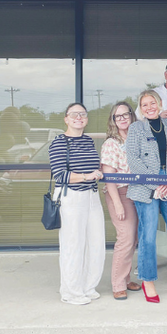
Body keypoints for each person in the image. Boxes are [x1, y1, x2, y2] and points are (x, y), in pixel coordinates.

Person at [126, 90, 167, 302]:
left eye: (152, 103)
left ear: (159, 103)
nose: (149, 107)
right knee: (148, 234)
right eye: (144, 105)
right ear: (140, 108)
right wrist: (154, 183)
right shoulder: (136, 128)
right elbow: (133, 159)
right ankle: (148, 280)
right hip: (145, 184)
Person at [48, 102, 106, 304]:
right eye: (74, 114)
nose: (78, 117)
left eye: (82, 114)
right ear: (66, 119)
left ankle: (87, 287)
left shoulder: (89, 141)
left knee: (95, 244)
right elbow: (60, 175)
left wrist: (95, 176)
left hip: (92, 197)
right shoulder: (59, 143)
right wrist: (87, 176)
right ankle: (71, 292)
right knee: (73, 245)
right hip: (71, 197)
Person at [100, 101, 143, 300]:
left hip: (138, 192)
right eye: (118, 116)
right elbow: (109, 177)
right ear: (113, 120)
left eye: (126, 114)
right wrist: (117, 203)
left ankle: (125, 279)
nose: (123, 118)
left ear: (132, 116)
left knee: (133, 238)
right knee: (125, 237)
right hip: (120, 193)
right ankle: (118, 284)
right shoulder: (111, 143)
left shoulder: (136, 139)